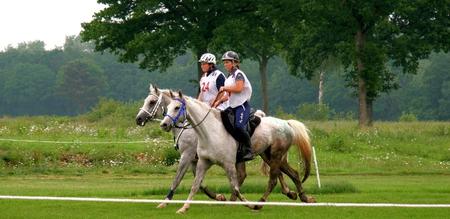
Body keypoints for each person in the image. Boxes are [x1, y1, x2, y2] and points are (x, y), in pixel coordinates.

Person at [213, 51, 253, 161]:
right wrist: (218, 102)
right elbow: (228, 96)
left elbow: (239, 88)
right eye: (224, 62)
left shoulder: (238, 74)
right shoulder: (229, 77)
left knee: (239, 126)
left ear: (234, 63)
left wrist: (225, 88)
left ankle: (249, 149)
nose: (225, 64)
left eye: (227, 62)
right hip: (232, 106)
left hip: (242, 106)